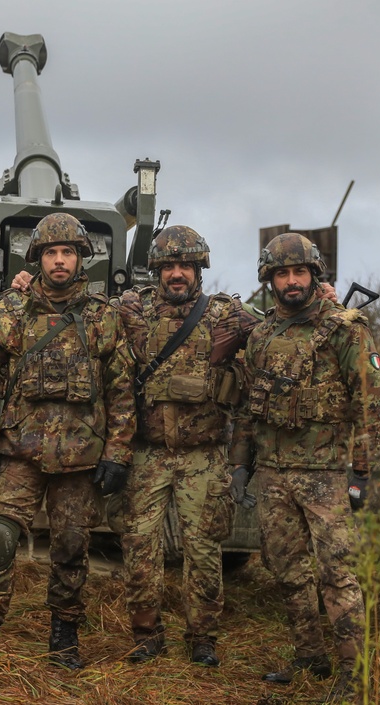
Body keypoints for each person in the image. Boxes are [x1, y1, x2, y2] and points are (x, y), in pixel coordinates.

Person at [0, 212, 135, 670]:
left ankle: (64, 634)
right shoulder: (11, 310)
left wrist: (117, 453)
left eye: (68, 253)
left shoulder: (102, 316)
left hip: (80, 456)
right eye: (50, 253)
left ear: (82, 258)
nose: (59, 261)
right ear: (37, 258)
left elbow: (121, 389)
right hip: (20, 451)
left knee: (72, 545)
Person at [228, 232, 380, 702]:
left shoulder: (345, 329)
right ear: (269, 279)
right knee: (287, 569)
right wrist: (240, 466)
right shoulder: (260, 335)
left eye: (300, 272)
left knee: (337, 573)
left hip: (327, 475)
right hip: (274, 474)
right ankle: (310, 656)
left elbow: (371, 404)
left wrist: (361, 472)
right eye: (282, 273)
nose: (292, 281)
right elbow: (246, 411)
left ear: (314, 276)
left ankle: (353, 676)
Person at [114, 225, 259, 666]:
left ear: (199, 269)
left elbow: (283, 328)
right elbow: (79, 314)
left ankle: (203, 638)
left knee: (204, 548)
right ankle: (146, 633)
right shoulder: (130, 309)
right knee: (140, 545)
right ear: (156, 270)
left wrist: (325, 298)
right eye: (169, 266)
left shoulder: (227, 315)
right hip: (148, 453)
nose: (177, 274)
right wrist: (23, 283)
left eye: (186, 266)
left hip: (204, 456)